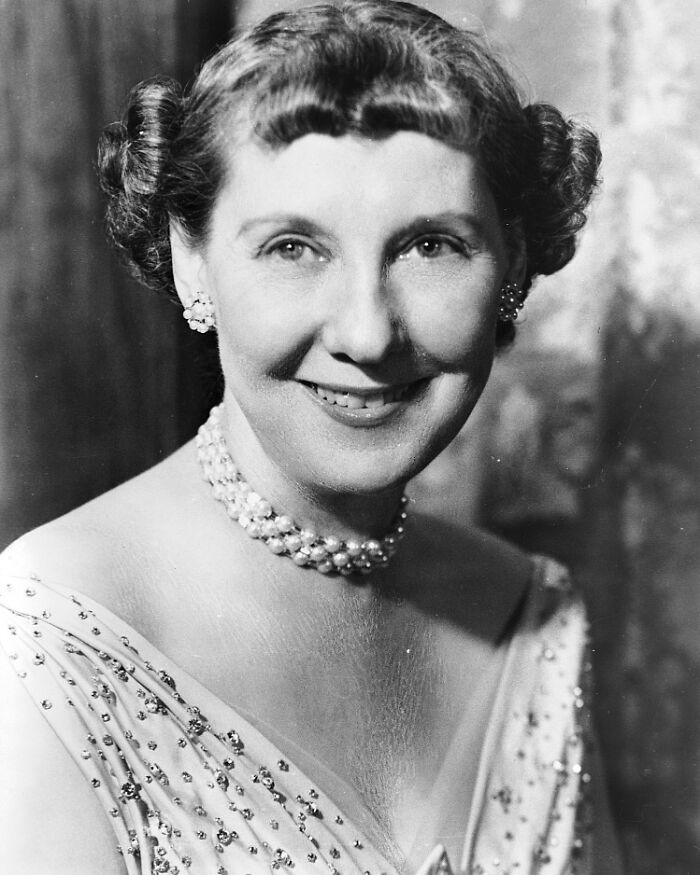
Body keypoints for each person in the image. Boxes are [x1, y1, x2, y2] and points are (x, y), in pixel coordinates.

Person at [0, 2, 621, 873]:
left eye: (432, 245)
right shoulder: (45, 641)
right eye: (294, 246)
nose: (367, 334)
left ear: (513, 263)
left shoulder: (535, 616)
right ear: (190, 255)